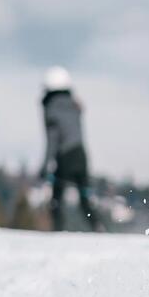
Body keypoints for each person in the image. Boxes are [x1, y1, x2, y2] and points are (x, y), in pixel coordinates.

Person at [41, 66, 105, 232]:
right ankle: (97, 226)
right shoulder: (74, 106)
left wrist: (45, 166)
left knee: (57, 198)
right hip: (81, 154)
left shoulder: (51, 110)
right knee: (84, 196)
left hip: (65, 156)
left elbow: (52, 140)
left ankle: (58, 230)